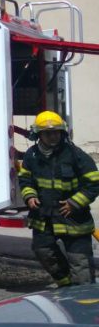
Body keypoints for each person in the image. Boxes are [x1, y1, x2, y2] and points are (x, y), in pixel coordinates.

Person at [18, 110, 99, 287]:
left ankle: (83, 301)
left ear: (62, 133)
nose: (53, 136)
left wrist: (74, 203)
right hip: (44, 218)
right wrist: (30, 196)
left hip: (73, 219)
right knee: (44, 252)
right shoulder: (31, 155)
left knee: (80, 263)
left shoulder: (76, 154)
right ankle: (66, 285)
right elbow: (25, 179)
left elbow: (94, 183)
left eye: (56, 132)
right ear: (38, 135)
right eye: (48, 133)